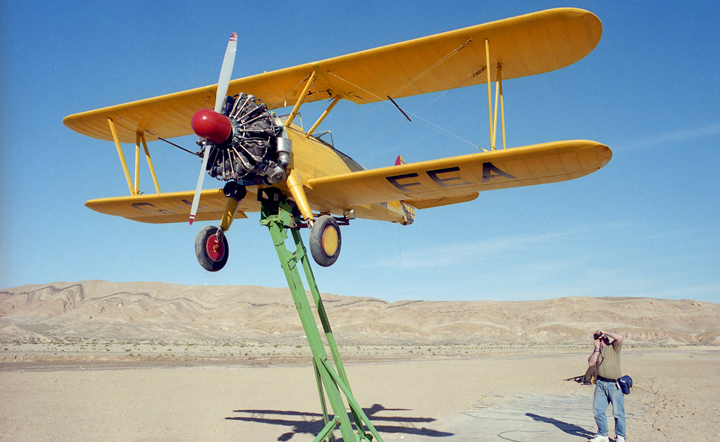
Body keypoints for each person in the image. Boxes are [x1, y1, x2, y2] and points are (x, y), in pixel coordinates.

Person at [587, 330, 626, 442]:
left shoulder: (613, 348)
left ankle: (620, 436)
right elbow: (591, 363)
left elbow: (620, 337)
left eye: (599, 339)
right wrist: (597, 348)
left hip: (614, 384)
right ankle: (602, 434)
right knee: (598, 410)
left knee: (618, 412)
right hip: (600, 384)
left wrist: (605, 332)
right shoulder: (598, 351)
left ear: (604, 339)